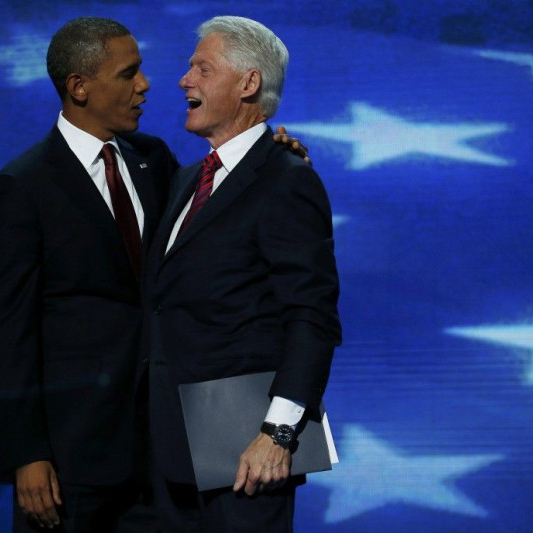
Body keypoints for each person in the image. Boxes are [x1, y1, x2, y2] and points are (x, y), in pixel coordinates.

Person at [142, 16, 341, 532]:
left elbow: (311, 316)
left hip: (245, 451)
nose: (184, 81)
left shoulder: (287, 180)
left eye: (201, 69)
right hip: (167, 448)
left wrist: (277, 434)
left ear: (249, 83)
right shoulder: (186, 181)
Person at [0, 17, 176, 532]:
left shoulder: (154, 161)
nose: (145, 85)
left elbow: (217, 212)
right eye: (129, 73)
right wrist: (27, 453)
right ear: (80, 87)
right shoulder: (23, 187)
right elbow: (6, 331)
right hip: (72, 461)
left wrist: (274, 161)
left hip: (160, 453)